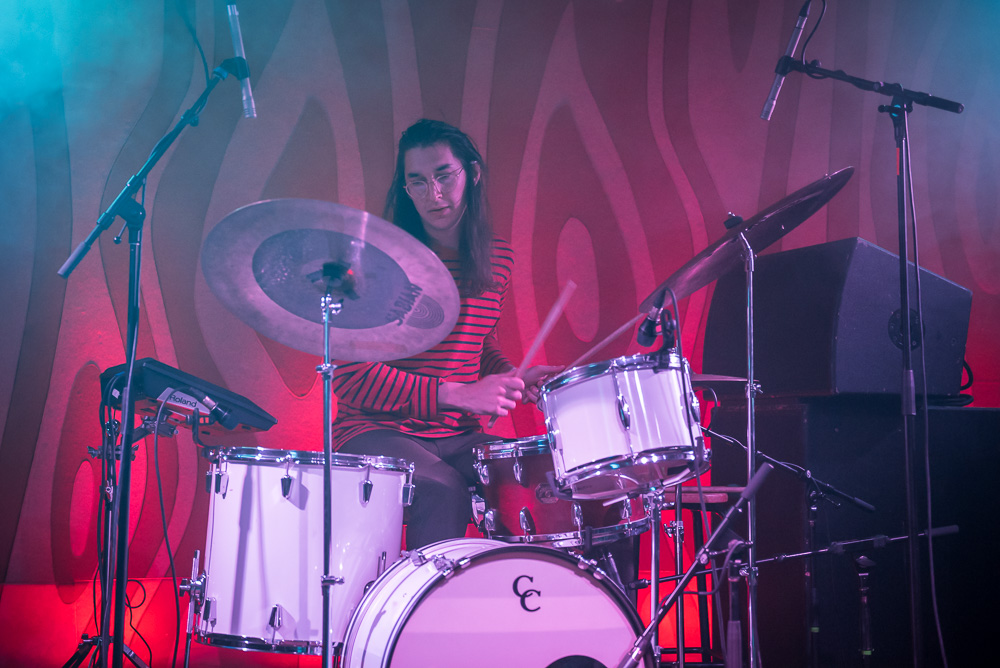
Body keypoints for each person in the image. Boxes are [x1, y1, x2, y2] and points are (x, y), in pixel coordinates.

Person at [332, 118, 560, 550]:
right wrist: (457, 393)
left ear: (471, 174)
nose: (432, 194)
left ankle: (531, 605)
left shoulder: (498, 259)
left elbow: (479, 340)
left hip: (457, 433)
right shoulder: (378, 262)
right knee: (442, 490)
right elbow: (349, 375)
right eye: (416, 182)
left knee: (541, 479)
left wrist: (512, 374)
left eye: (443, 176)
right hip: (376, 428)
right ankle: (419, 616)